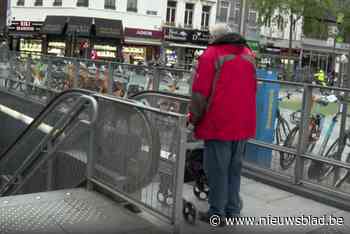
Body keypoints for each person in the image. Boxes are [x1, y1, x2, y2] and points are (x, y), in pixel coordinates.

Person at [188, 23, 257, 224]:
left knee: (217, 170)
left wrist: (194, 118)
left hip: (219, 122)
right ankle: (233, 209)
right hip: (243, 122)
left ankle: (216, 212)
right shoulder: (248, 54)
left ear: (214, 37)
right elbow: (253, 87)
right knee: (234, 168)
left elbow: (200, 93)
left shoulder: (211, 55)